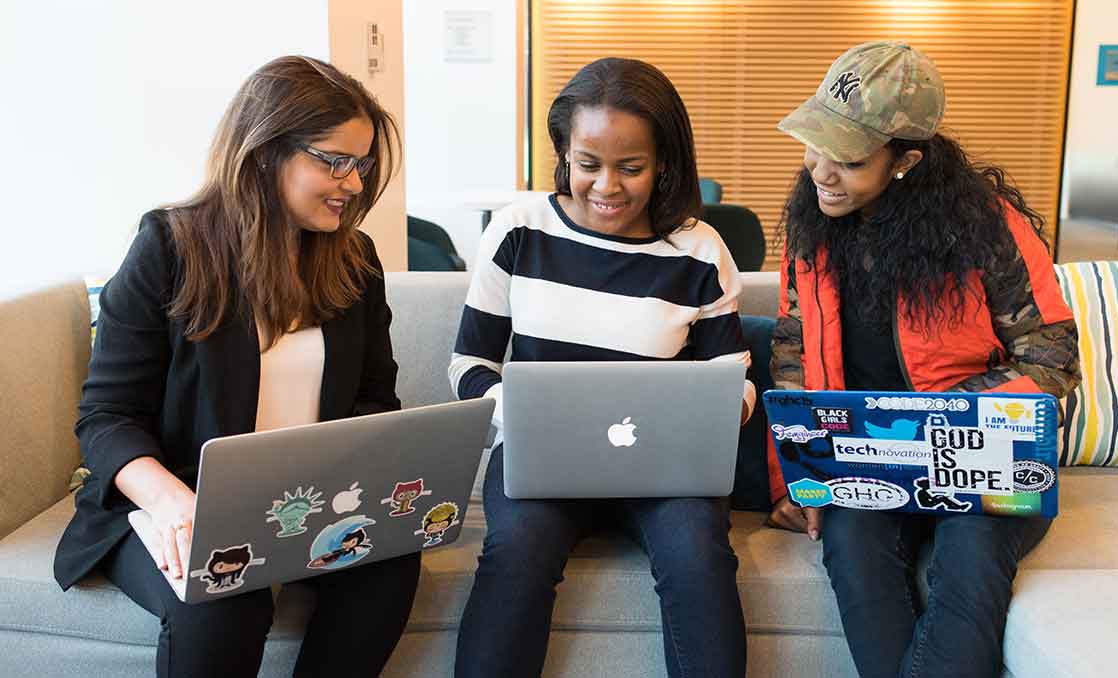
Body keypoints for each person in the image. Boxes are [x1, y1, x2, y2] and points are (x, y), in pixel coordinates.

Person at [53, 55, 420, 678]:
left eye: (360, 164)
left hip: (307, 504)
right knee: (228, 593)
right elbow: (107, 416)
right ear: (264, 152)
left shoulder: (354, 260)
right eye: (333, 161)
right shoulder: (168, 246)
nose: (354, 183)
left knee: (389, 566)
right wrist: (173, 503)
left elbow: (373, 401)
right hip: (169, 505)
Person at [766, 42, 1081, 678]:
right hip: (864, 459)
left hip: (984, 455)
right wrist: (791, 481)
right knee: (852, 550)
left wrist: (933, 420)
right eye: (814, 144)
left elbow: (1051, 360)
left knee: (968, 561)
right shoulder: (811, 227)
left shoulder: (986, 229)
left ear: (905, 161)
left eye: (848, 159)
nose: (820, 170)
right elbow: (793, 355)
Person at [449, 57, 755, 678]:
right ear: (563, 152)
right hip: (541, 456)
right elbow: (469, 365)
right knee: (516, 551)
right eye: (588, 164)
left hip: (664, 466)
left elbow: (737, 379)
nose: (607, 186)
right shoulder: (518, 231)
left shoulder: (698, 250)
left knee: (698, 555)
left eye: (631, 168)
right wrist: (525, 412)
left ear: (664, 161)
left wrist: (721, 412)